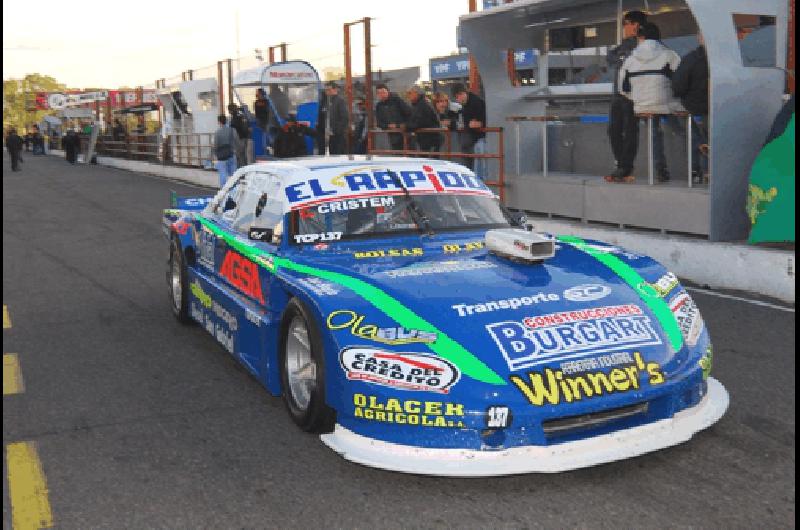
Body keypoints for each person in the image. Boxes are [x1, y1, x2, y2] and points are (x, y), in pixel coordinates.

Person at [619, 22, 683, 183]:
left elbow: (622, 87)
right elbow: (682, 79)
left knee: (654, 135)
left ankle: (660, 170)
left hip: (643, 106)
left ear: (640, 37)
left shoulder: (631, 58)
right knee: (685, 131)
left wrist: (638, 99)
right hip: (667, 103)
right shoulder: (669, 54)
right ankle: (698, 167)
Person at [605, 10, 648, 182]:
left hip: (633, 95)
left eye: (628, 23)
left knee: (630, 130)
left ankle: (625, 167)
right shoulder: (620, 48)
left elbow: (625, 62)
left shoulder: (643, 46)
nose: (625, 27)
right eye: (625, 23)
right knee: (613, 130)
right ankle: (621, 164)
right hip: (617, 95)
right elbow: (612, 59)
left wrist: (623, 59)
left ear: (637, 25)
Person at [672, 32, 710, 184]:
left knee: (694, 138)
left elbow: (678, 86)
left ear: (699, 38)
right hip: (715, 107)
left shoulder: (691, 59)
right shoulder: (725, 59)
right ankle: (709, 172)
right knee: (710, 140)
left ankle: (696, 171)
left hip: (692, 107)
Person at [452, 83, 487, 176]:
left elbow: (484, 120)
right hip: (473, 139)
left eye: (458, 96)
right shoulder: (470, 103)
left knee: (475, 160)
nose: (458, 99)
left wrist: (480, 123)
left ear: (463, 93)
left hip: (477, 139)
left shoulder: (476, 103)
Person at [375, 83, 412, 151]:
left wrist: (400, 125)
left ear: (388, 91)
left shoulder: (397, 100)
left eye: (383, 92)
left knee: (409, 154)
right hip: (392, 136)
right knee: (397, 154)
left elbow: (409, 113)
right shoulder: (379, 106)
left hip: (405, 133)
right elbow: (379, 123)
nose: (382, 95)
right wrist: (388, 126)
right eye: (379, 93)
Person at [406, 86, 440, 152]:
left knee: (428, 159)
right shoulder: (416, 105)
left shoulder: (423, 105)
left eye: (410, 93)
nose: (408, 95)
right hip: (424, 138)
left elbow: (420, 122)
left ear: (416, 93)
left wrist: (407, 127)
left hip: (430, 139)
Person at [213, 114, 239, 188]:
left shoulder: (217, 132)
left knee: (223, 173)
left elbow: (216, 145)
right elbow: (236, 140)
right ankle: (234, 188)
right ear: (226, 120)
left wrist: (215, 154)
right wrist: (235, 150)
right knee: (233, 173)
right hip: (231, 153)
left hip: (221, 156)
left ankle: (224, 189)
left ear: (219, 122)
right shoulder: (232, 130)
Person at [323, 81, 349, 154]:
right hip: (331, 136)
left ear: (335, 90)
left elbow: (345, 118)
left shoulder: (340, 101)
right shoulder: (328, 102)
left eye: (329, 90)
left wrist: (336, 131)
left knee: (339, 155)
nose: (327, 92)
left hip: (338, 136)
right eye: (326, 90)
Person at [228, 103, 251, 167]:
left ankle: (241, 170)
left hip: (239, 138)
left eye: (229, 111)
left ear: (231, 110)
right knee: (243, 155)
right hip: (245, 137)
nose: (229, 112)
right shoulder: (242, 114)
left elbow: (233, 128)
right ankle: (244, 168)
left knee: (239, 155)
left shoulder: (235, 117)